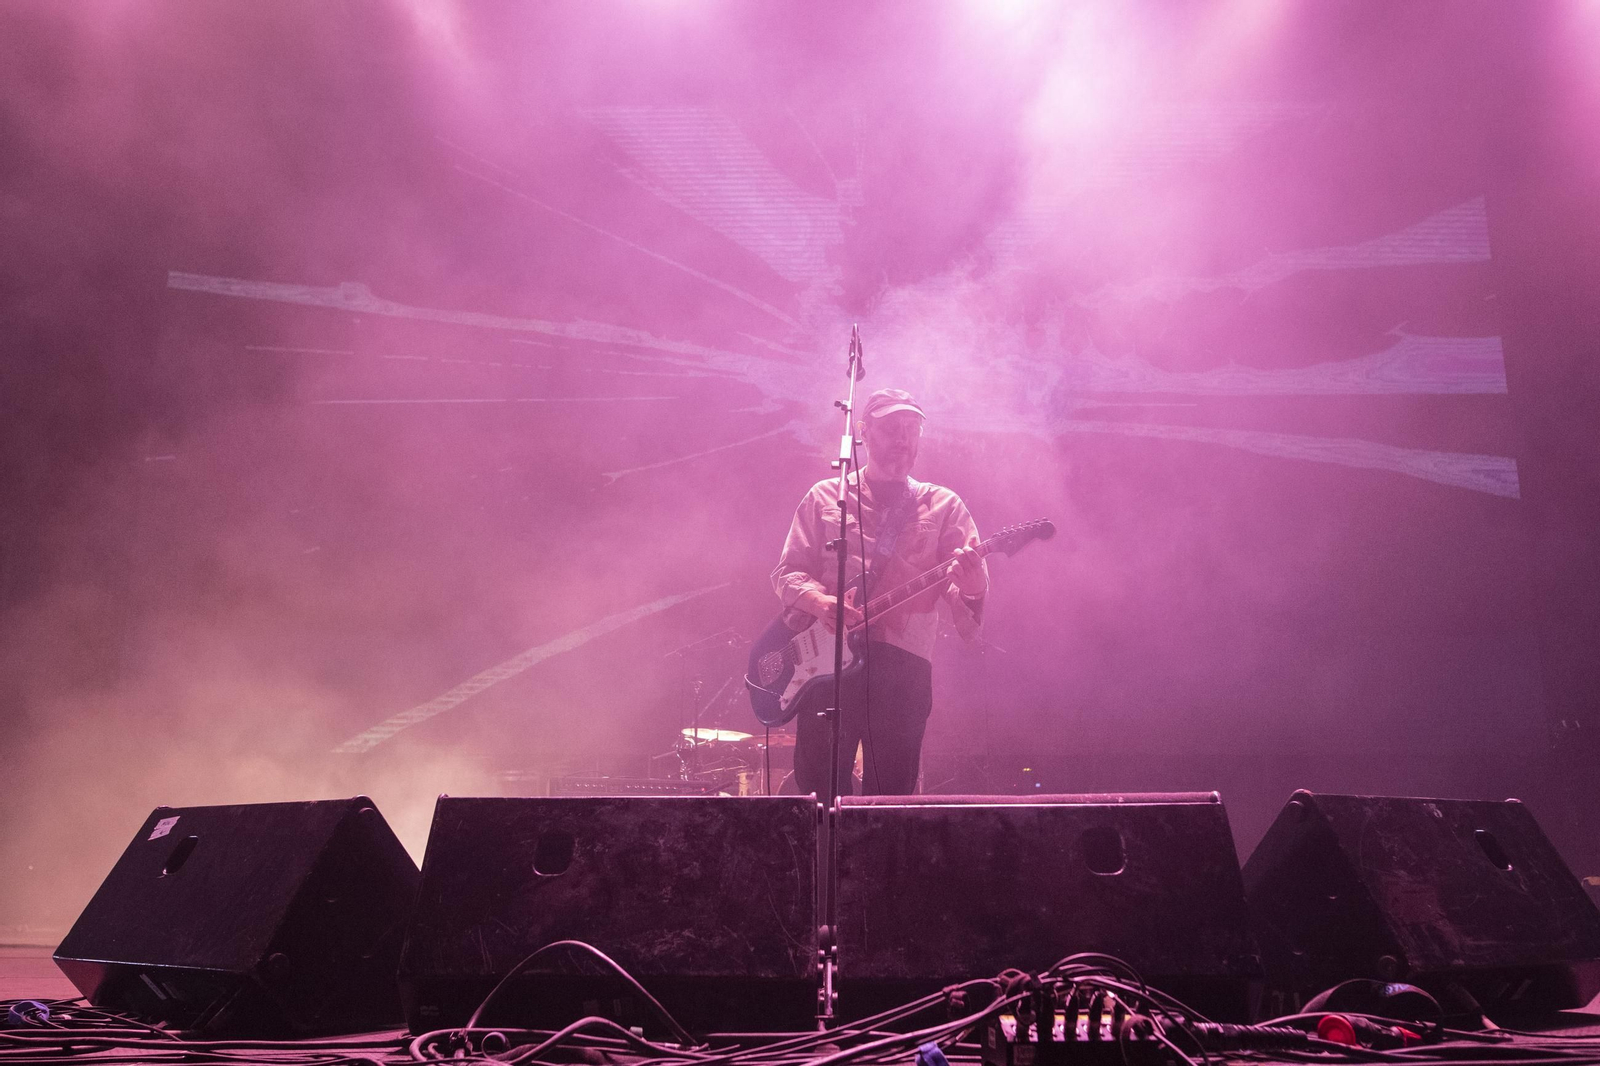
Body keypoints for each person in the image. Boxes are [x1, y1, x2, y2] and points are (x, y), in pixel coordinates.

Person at [771, 388, 988, 797]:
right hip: (825, 667)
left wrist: (974, 588)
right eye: (891, 428)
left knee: (892, 800)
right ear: (863, 432)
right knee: (818, 790)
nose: (903, 438)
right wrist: (820, 602)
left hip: (901, 668)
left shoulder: (943, 505)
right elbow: (787, 573)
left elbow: (964, 598)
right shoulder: (825, 497)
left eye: (911, 429)